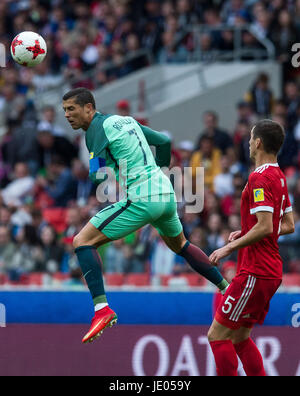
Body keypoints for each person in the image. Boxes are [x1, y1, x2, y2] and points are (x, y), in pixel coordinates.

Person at [62, 87, 229, 344]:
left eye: (71, 109)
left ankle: (101, 310)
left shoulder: (95, 129)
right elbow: (163, 142)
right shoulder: (127, 121)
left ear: (88, 107)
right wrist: (157, 170)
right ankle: (227, 289)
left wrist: (100, 164)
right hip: (165, 192)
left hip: (142, 199)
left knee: (81, 241)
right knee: (182, 245)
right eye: (64, 111)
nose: (67, 115)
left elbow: (97, 176)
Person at [207, 119, 295, 376]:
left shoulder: (259, 177)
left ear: (257, 143)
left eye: (250, 139)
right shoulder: (278, 177)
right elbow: (288, 224)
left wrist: (228, 248)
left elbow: (266, 226)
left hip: (255, 270)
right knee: (239, 338)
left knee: (217, 336)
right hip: (269, 270)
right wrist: (247, 231)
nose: (247, 143)